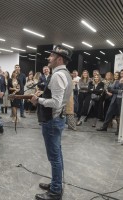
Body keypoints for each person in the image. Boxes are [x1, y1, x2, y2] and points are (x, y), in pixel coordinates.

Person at [31, 45, 73, 200]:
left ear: (59, 59)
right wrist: (44, 93)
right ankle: (56, 183)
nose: (48, 58)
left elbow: (56, 102)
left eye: (51, 56)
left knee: (54, 157)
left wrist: (38, 99)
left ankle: (55, 191)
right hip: (58, 119)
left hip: (52, 121)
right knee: (58, 155)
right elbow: (60, 98)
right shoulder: (65, 73)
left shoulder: (57, 76)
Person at [97, 69, 123, 134]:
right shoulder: (117, 81)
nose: (122, 74)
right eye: (121, 73)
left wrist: (117, 89)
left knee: (119, 116)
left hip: (121, 101)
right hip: (114, 99)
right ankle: (104, 127)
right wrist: (118, 91)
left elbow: (122, 91)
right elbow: (110, 88)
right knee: (108, 113)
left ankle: (118, 130)